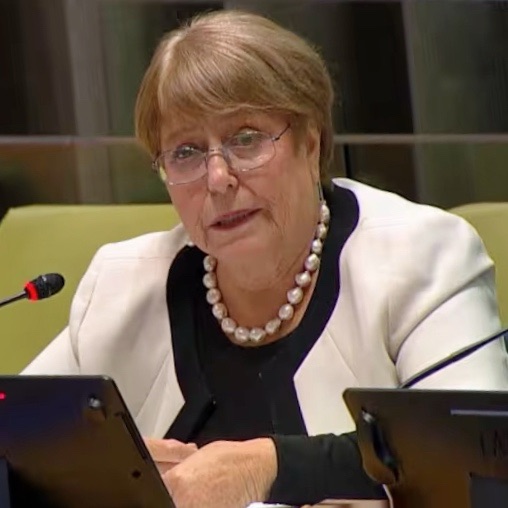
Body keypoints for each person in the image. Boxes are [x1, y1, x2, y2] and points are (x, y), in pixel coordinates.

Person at [22, 9, 508, 508]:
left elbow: (477, 459)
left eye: (246, 138)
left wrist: (266, 466)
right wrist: (95, 471)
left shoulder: (422, 257)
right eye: (186, 152)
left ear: (310, 143)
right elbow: (16, 441)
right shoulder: (120, 285)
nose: (218, 179)